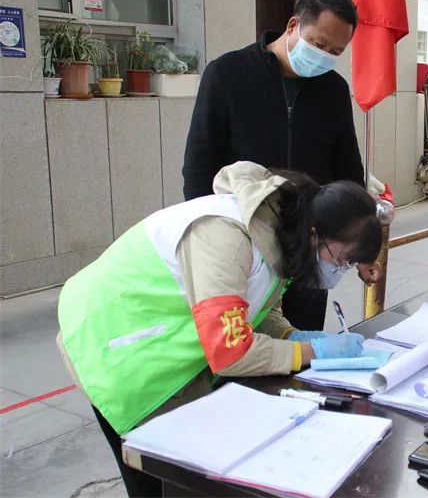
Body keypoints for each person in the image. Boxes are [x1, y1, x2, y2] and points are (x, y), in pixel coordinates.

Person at [56, 161, 381, 497]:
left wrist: (289, 335)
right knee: (159, 480)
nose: (340, 270)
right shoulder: (224, 237)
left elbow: (256, 307)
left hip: (165, 348)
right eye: (341, 259)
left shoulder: (281, 235)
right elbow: (229, 351)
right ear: (315, 234)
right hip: (117, 349)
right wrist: (312, 352)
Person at [182, 0, 379, 331]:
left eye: (336, 51)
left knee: (302, 347)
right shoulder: (228, 74)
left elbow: (348, 171)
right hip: (243, 245)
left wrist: (360, 249)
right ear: (292, 26)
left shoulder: (332, 90)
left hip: (309, 246)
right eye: (318, 45)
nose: (324, 56)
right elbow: (199, 164)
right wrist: (207, 241)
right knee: (239, 347)